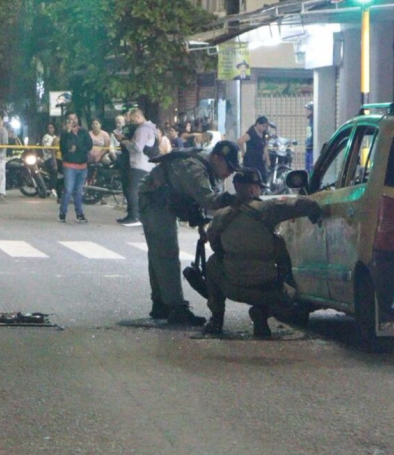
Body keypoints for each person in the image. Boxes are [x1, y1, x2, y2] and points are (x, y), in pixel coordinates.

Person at [203, 168, 323, 337]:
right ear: (253, 188)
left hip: (233, 286)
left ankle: (216, 319)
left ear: (236, 187)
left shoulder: (221, 216)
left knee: (213, 263)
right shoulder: (270, 208)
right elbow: (303, 203)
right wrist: (315, 213)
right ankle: (262, 314)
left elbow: (215, 245)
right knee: (289, 290)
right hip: (267, 288)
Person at [138, 141, 240, 325]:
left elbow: (194, 200)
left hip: (164, 200)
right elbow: (207, 200)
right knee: (166, 252)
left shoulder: (208, 165)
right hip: (155, 202)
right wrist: (233, 199)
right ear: (216, 158)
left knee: (158, 254)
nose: (230, 173)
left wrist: (201, 224)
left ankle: (161, 303)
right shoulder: (194, 169)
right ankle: (177, 308)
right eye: (229, 167)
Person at [120, 109, 157, 227]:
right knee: (132, 189)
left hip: (140, 163)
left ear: (138, 117)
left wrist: (126, 142)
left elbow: (137, 147)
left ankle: (135, 216)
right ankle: (131, 214)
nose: (131, 122)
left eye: (132, 120)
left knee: (132, 190)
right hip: (144, 163)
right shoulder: (151, 128)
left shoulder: (143, 129)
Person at [58, 111, 93, 223]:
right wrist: (68, 133)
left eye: (75, 118)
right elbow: (65, 147)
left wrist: (76, 147)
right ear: (67, 121)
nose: (73, 121)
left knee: (79, 191)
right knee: (68, 190)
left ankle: (80, 214)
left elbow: (89, 145)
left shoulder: (83, 132)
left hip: (82, 165)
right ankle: (62, 213)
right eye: (71, 119)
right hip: (69, 166)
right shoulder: (64, 134)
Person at [238, 116, 270, 183]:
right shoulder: (251, 133)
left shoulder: (265, 134)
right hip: (251, 160)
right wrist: (243, 152)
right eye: (263, 126)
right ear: (257, 124)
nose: (264, 128)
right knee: (252, 179)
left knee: (263, 178)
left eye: (265, 127)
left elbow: (265, 146)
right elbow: (240, 141)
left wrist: (267, 159)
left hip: (260, 160)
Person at [41, 122, 59, 197]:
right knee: (54, 170)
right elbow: (48, 147)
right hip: (48, 158)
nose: (50, 129)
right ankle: (52, 189)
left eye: (51, 127)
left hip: (57, 157)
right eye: (49, 128)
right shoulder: (46, 137)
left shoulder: (56, 137)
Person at [304, 102, 314, 172]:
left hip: (312, 149)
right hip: (308, 148)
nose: (307, 112)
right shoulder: (310, 122)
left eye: (309, 110)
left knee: (311, 170)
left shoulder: (315, 122)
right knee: (307, 170)